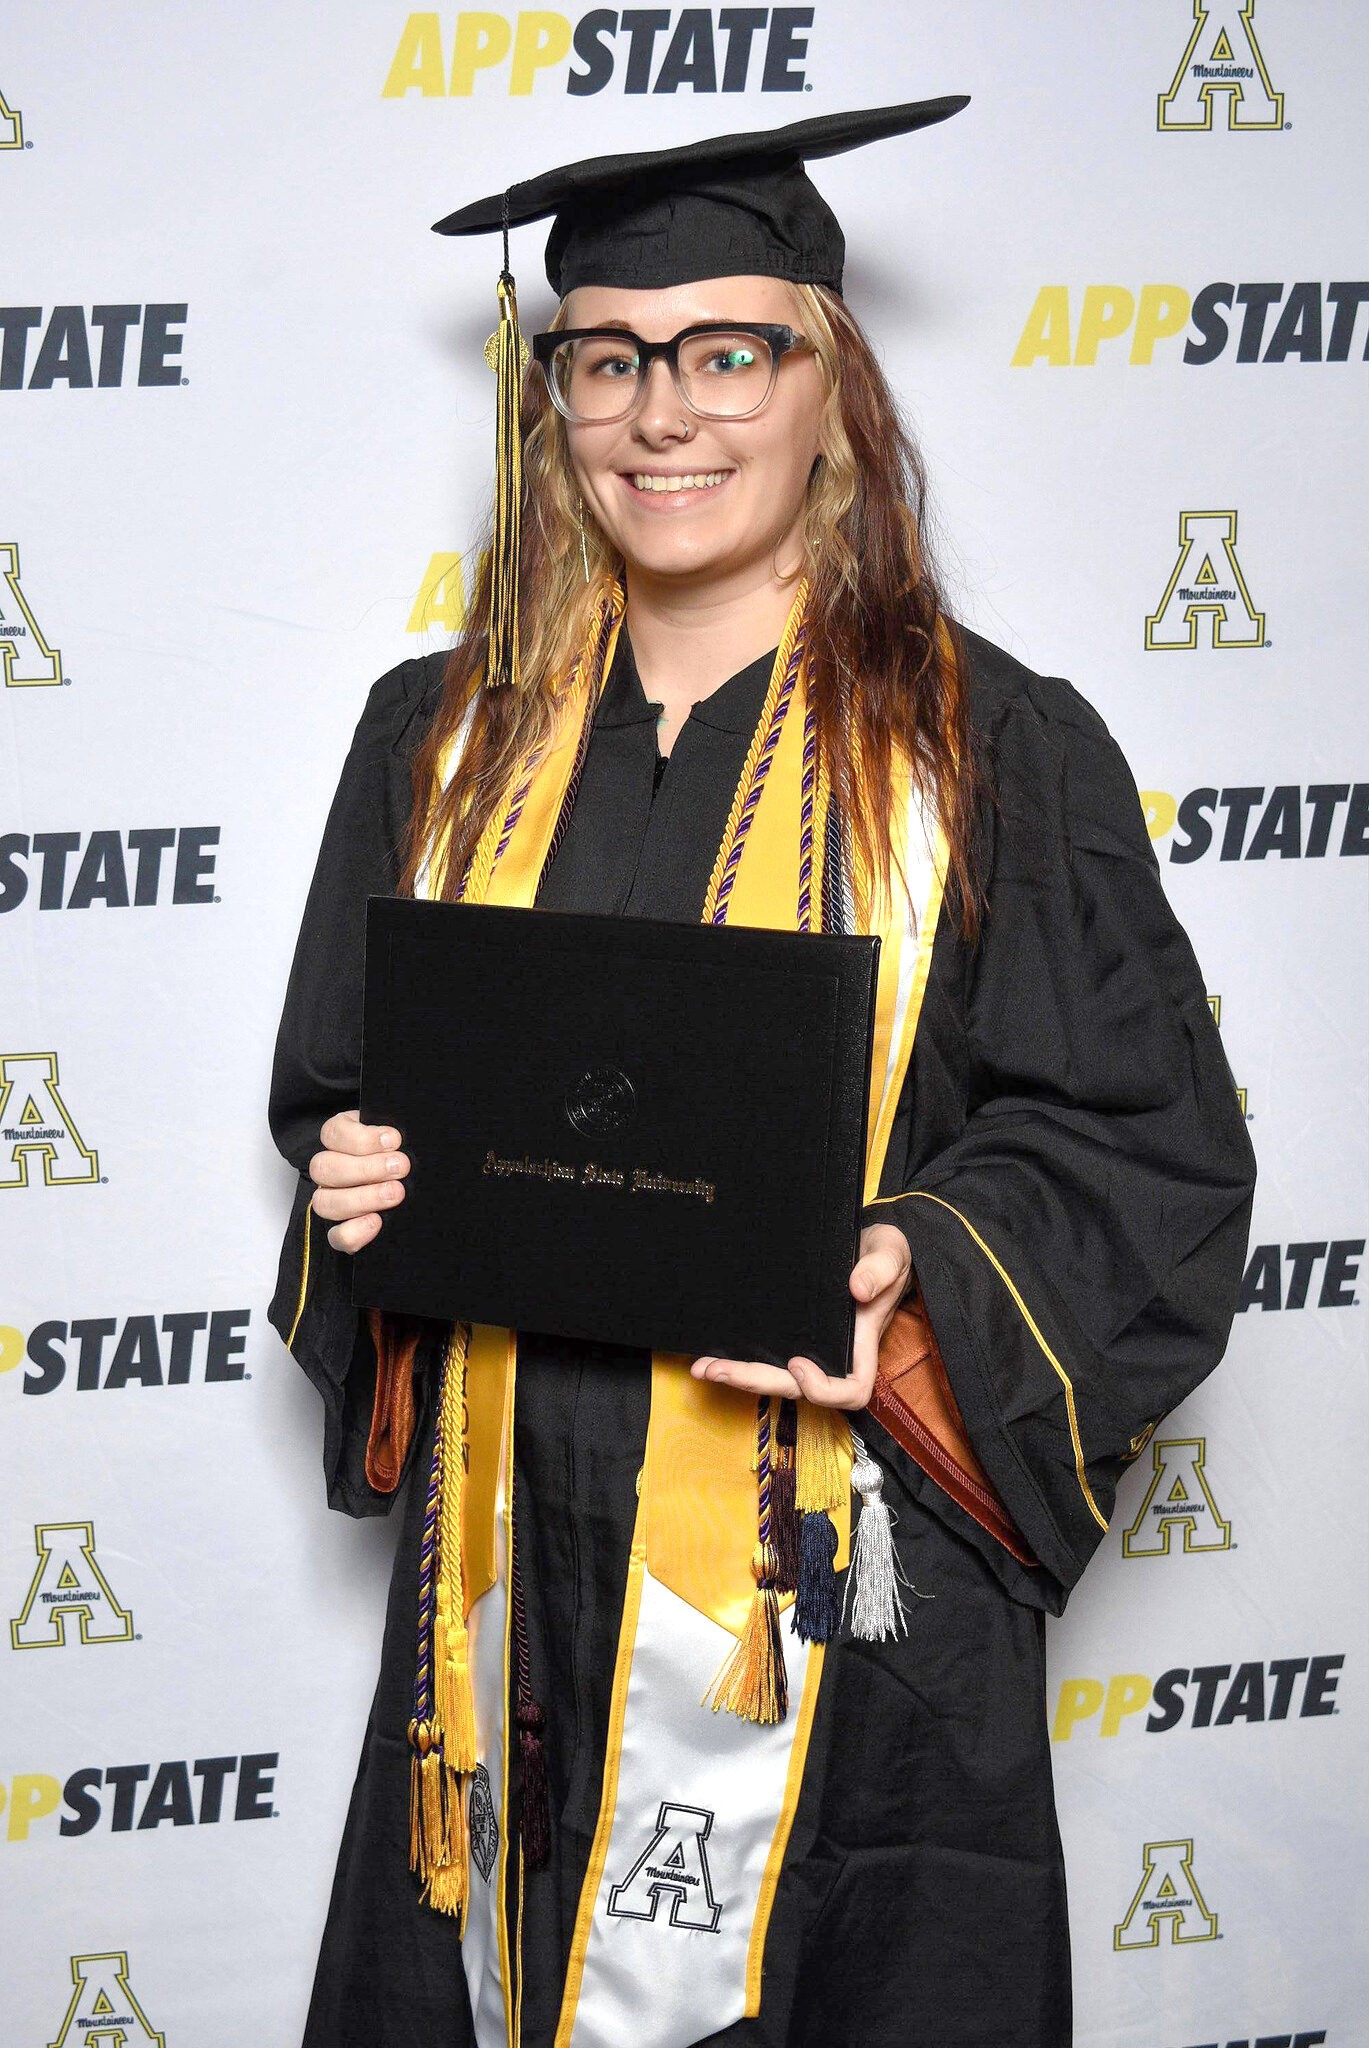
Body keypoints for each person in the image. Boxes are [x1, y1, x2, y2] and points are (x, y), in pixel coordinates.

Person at [267, 101, 1256, 2048]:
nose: (665, 411)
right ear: (553, 394)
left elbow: (1151, 1152)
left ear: (831, 382)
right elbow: (337, 1091)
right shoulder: (436, 738)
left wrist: (913, 1276)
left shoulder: (994, 747)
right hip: (502, 1619)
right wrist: (363, 1200)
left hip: (833, 1635)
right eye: (610, 357)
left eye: (731, 350)